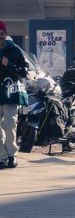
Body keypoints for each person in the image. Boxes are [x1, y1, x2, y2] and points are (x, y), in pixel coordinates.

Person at [0, 21, 29, 169]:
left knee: (10, 124)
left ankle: (12, 156)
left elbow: (24, 71)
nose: (0, 37)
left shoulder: (14, 50)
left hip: (11, 93)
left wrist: (9, 65)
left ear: (6, 34)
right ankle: (2, 157)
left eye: (2, 34)